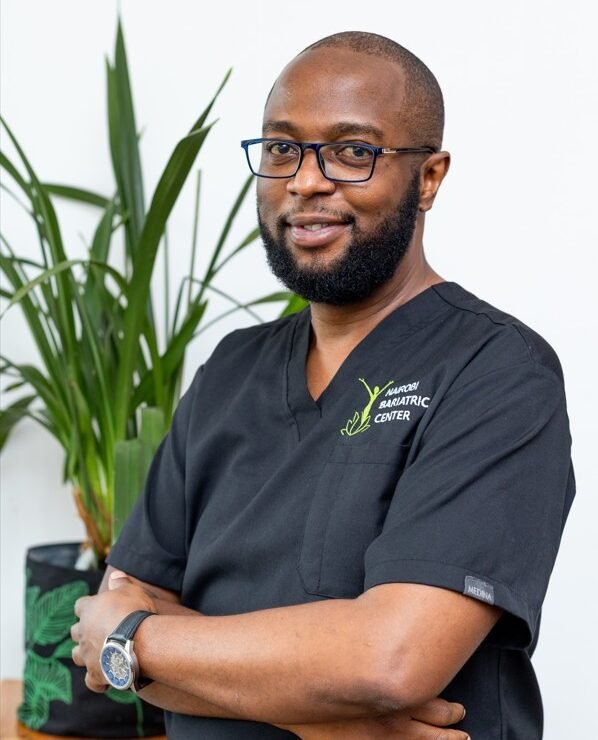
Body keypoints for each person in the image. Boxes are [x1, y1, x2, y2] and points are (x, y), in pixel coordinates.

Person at [72, 31, 575, 739]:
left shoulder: (497, 372)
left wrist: (139, 642)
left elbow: (389, 659)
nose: (306, 181)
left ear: (429, 178)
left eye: (352, 151)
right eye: (283, 148)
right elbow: (111, 617)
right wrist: (335, 720)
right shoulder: (229, 372)